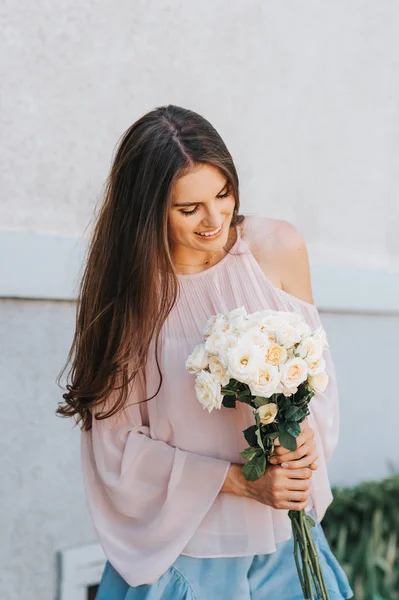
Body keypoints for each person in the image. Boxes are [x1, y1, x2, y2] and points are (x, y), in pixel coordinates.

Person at [56, 105, 353, 600]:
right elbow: (117, 449)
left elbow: (316, 377)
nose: (215, 220)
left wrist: (299, 445)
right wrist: (241, 482)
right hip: (188, 558)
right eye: (188, 209)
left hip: (286, 543)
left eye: (222, 194)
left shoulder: (276, 247)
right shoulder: (128, 294)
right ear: (147, 210)